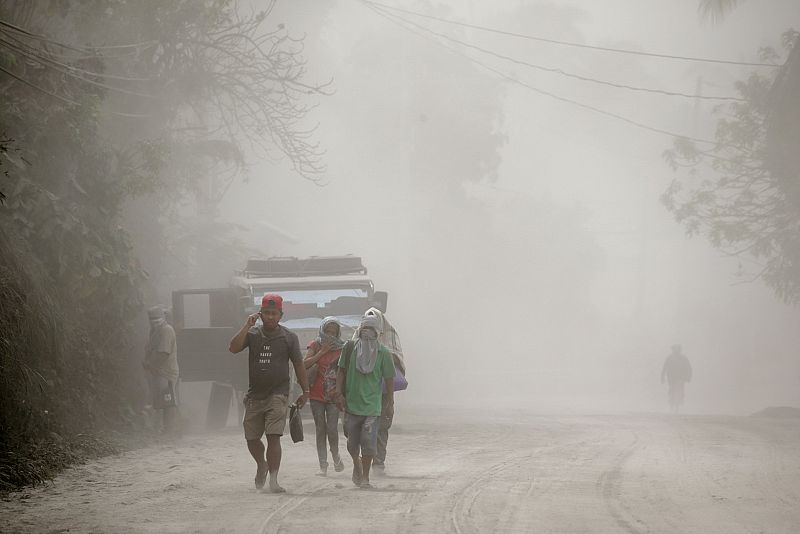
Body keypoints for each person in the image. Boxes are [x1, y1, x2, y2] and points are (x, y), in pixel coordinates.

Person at [228, 294, 310, 493]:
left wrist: (305, 390)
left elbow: (299, 364)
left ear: (281, 315)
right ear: (260, 314)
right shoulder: (253, 334)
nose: (270, 317)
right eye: (266, 313)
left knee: (273, 436)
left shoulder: (289, 337)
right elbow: (233, 348)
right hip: (255, 395)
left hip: (278, 395)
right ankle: (261, 464)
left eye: (274, 313)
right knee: (252, 438)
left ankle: (273, 480)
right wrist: (247, 325)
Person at [335, 315, 395, 489]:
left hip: (372, 407)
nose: (367, 334)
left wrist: (390, 404)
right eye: (364, 330)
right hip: (351, 405)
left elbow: (389, 379)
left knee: (368, 443)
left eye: (371, 331)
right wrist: (338, 392)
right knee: (352, 443)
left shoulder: (383, 353)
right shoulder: (349, 347)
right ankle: (357, 463)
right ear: (360, 331)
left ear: (377, 333)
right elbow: (341, 370)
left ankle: (365, 478)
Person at [359, 307, 406, 476]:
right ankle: (363, 463)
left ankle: (378, 463)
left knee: (382, 427)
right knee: (362, 428)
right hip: (362, 393)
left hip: (384, 392)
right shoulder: (355, 342)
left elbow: (397, 360)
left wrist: (380, 353)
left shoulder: (389, 335)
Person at [304, 317, 346, 476]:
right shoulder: (315, 345)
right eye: (327, 331)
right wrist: (322, 352)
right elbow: (304, 364)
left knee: (332, 429)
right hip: (316, 395)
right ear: (322, 330)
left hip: (334, 395)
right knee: (320, 429)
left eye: (333, 332)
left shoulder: (342, 348)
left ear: (338, 333)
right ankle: (323, 465)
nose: (330, 335)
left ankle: (336, 457)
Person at [142, 305, 179, 435]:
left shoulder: (166, 330)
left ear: (163, 318)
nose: (154, 321)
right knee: (161, 401)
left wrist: (150, 364)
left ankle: (170, 430)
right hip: (157, 372)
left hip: (166, 372)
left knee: (168, 401)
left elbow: (164, 353)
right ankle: (163, 429)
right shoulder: (155, 330)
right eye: (152, 319)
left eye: (157, 319)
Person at [661, 344, 692, 413]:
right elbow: (665, 367)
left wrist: (688, 377)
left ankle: (677, 407)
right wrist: (662, 377)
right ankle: (672, 406)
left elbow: (688, 368)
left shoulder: (683, 358)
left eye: (677, 349)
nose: (676, 351)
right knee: (672, 391)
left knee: (679, 392)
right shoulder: (670, 358)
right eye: (675, 349)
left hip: (680, 378)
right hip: (671, 378)